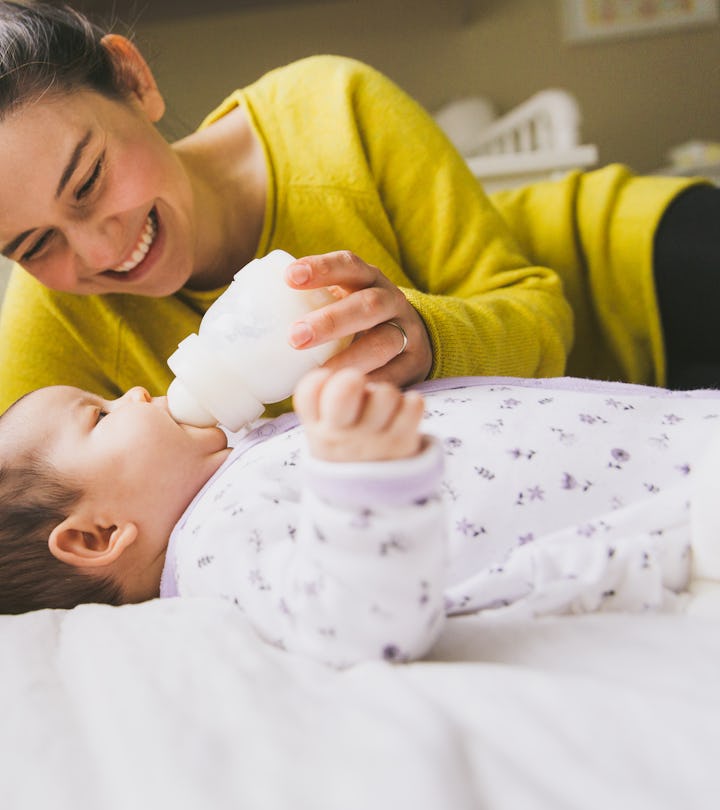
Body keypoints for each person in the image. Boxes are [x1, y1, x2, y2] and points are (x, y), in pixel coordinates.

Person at [0, 1, 716, 417]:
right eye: (34, 245)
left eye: (89, 180)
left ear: (132, 80)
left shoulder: (332, 109)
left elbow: (540, 314)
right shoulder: (55, 313)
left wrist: (428, 334)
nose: (95, 252)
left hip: (627, 266)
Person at [2, 367, 720, 667]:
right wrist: (366, 484)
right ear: (96, 537)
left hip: (675, 434)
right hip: (675, 512)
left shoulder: (232, 463)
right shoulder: (217, 549)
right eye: (98, 416)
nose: (131, 391)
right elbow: (353, 622)